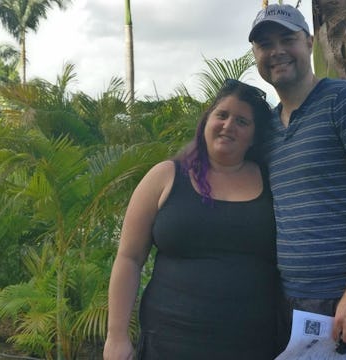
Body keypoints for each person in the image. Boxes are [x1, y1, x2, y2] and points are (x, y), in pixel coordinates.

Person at [248, 4, 346, 359]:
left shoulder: (345, 101)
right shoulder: (267, 129)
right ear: (256, 54)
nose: (277, 51)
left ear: (310, 41)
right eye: (265, 44)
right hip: (293, 303)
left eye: (287, 39)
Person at [103, 79, 278, 360]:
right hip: (168, 342)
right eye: (221, 115)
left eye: (242, 121)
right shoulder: (165, 176)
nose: (228, 125)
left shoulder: (272, 183)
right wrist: (116, 337)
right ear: (206, 121)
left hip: (252, 344)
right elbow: (129, 258)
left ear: (255, 136)